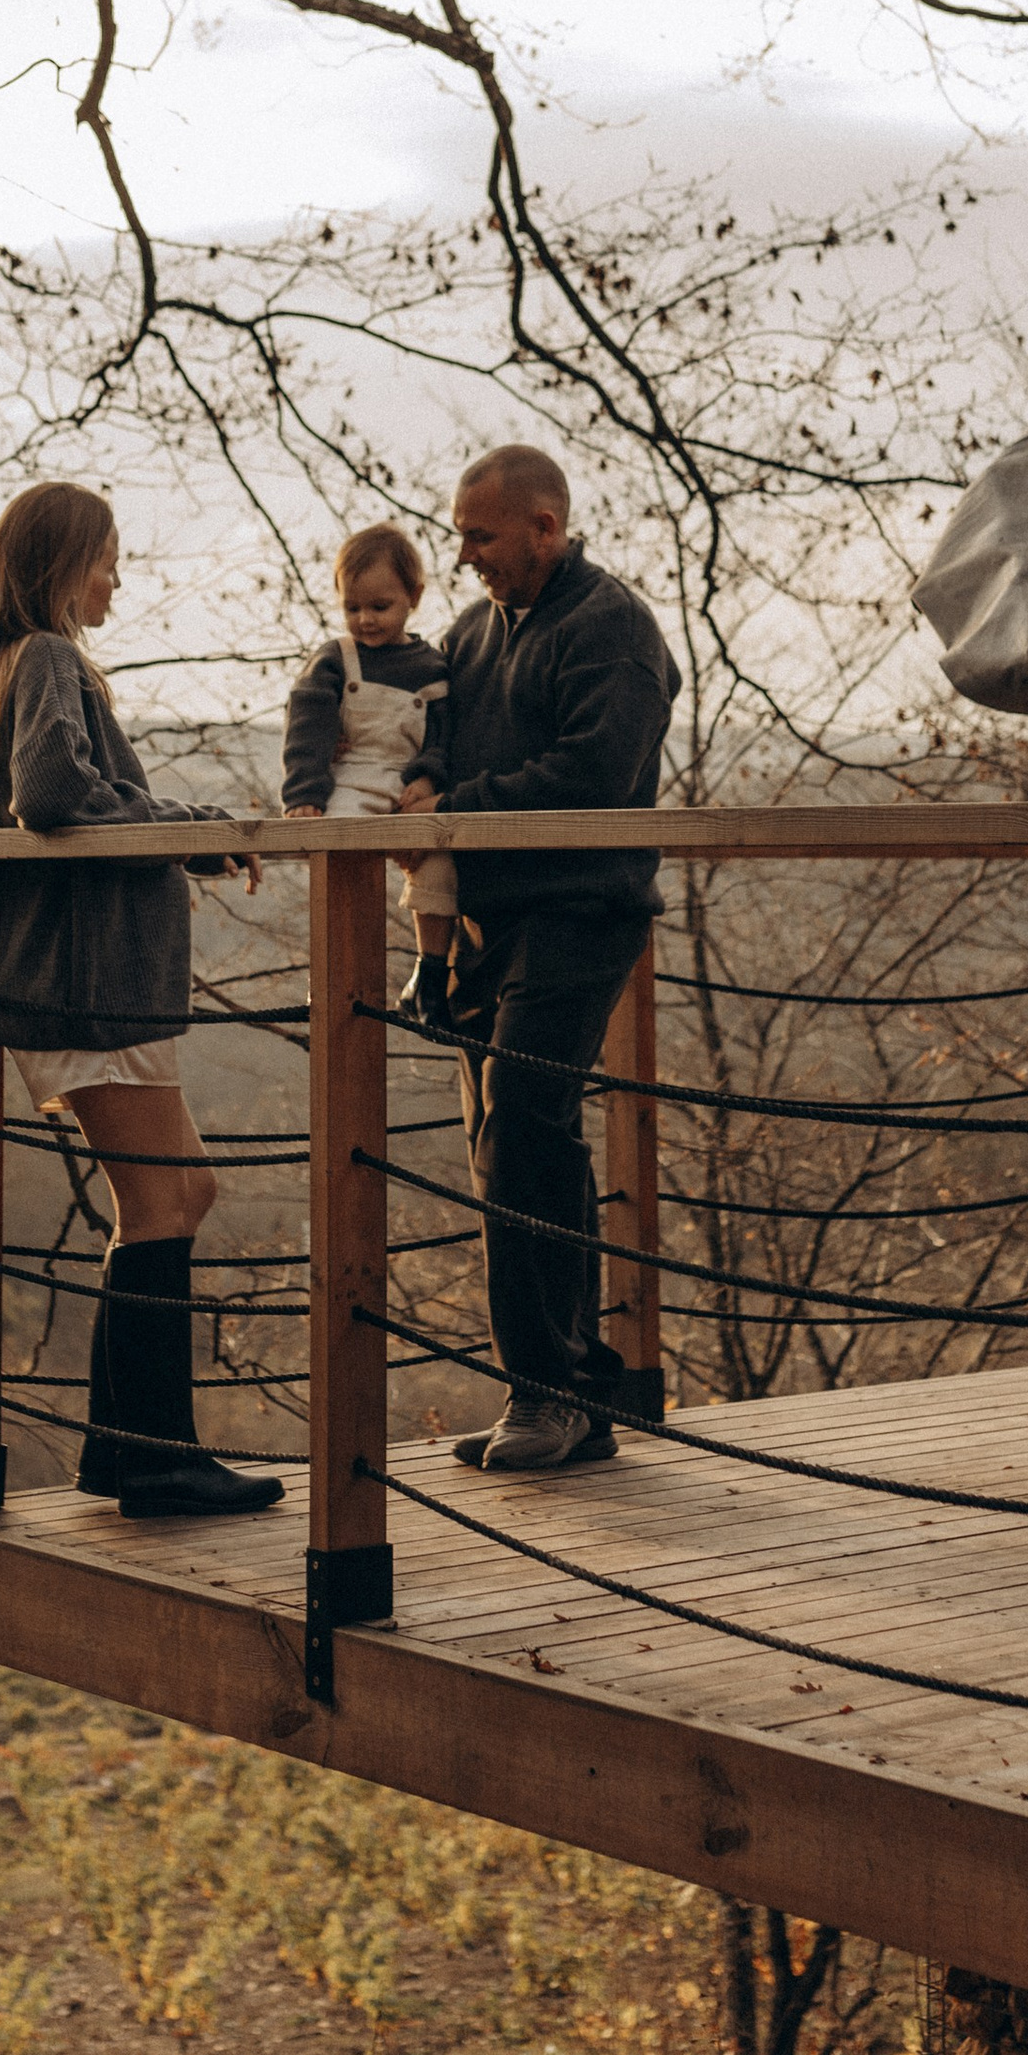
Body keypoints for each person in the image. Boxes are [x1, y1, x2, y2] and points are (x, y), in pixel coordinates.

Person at [0, 479, 282, 1523]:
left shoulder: (12, 664)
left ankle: (130, 1452)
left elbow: (76, 793)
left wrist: (187, 827)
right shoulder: (44, 658)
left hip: (92, 983)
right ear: (59, 563)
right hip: (87, 983)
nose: (117, 578)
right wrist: (187, 825)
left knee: (180, 1198)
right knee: (163, 1202)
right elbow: (56, 796)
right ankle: (152, 1461)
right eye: (105, 559)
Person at [398, 445, 681, 1473]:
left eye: (479, 534)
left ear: (545, 529)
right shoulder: (473, 632)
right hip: (487, 921)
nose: (463, 553)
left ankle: (554, 1390)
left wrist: (456, 810)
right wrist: (420, 786)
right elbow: (440, 741)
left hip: (580, 908)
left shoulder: (613, 629)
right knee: (509, 1141)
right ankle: (561, 1393)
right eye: (462, 533)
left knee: (522, 1120)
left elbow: (598, 775)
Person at [280, 522, 459, 1023]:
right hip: (351, 780)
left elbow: (445, 736)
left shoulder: (435, 667)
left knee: (441, 860)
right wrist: (305, 792)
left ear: (414, 597)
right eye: (352, 607)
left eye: (380, 607)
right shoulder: (337, 659)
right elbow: (308, 725)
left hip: (407, 787)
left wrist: (426, 777)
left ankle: (432, 970)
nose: (365, 620)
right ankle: (338, 968)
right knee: (341, 849)